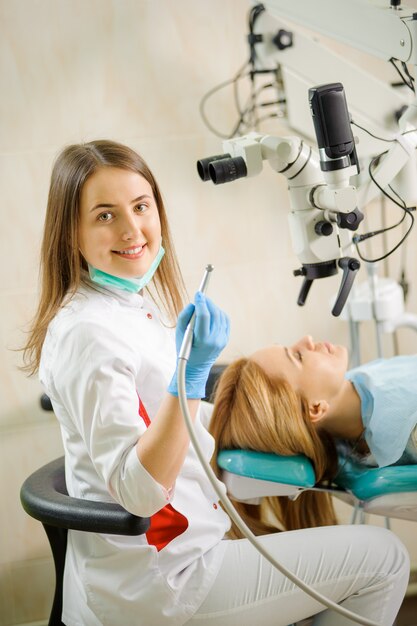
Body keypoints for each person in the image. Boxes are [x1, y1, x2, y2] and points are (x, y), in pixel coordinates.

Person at [23, 140, 409, 626]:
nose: (131, 229)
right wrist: (190, 374)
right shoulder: (89, 334)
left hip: (155, 564)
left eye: (141, 207)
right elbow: (137, 490)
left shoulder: (124, 307)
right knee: (385, 559)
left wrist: (237, 415)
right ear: (70, 233)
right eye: (104, 216)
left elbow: (160, 422)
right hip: (164, 582)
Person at [209, 335, 417, 537]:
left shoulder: (358, 386)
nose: (307, 339)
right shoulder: (408, 430)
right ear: (316, 408)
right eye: (298, 356)